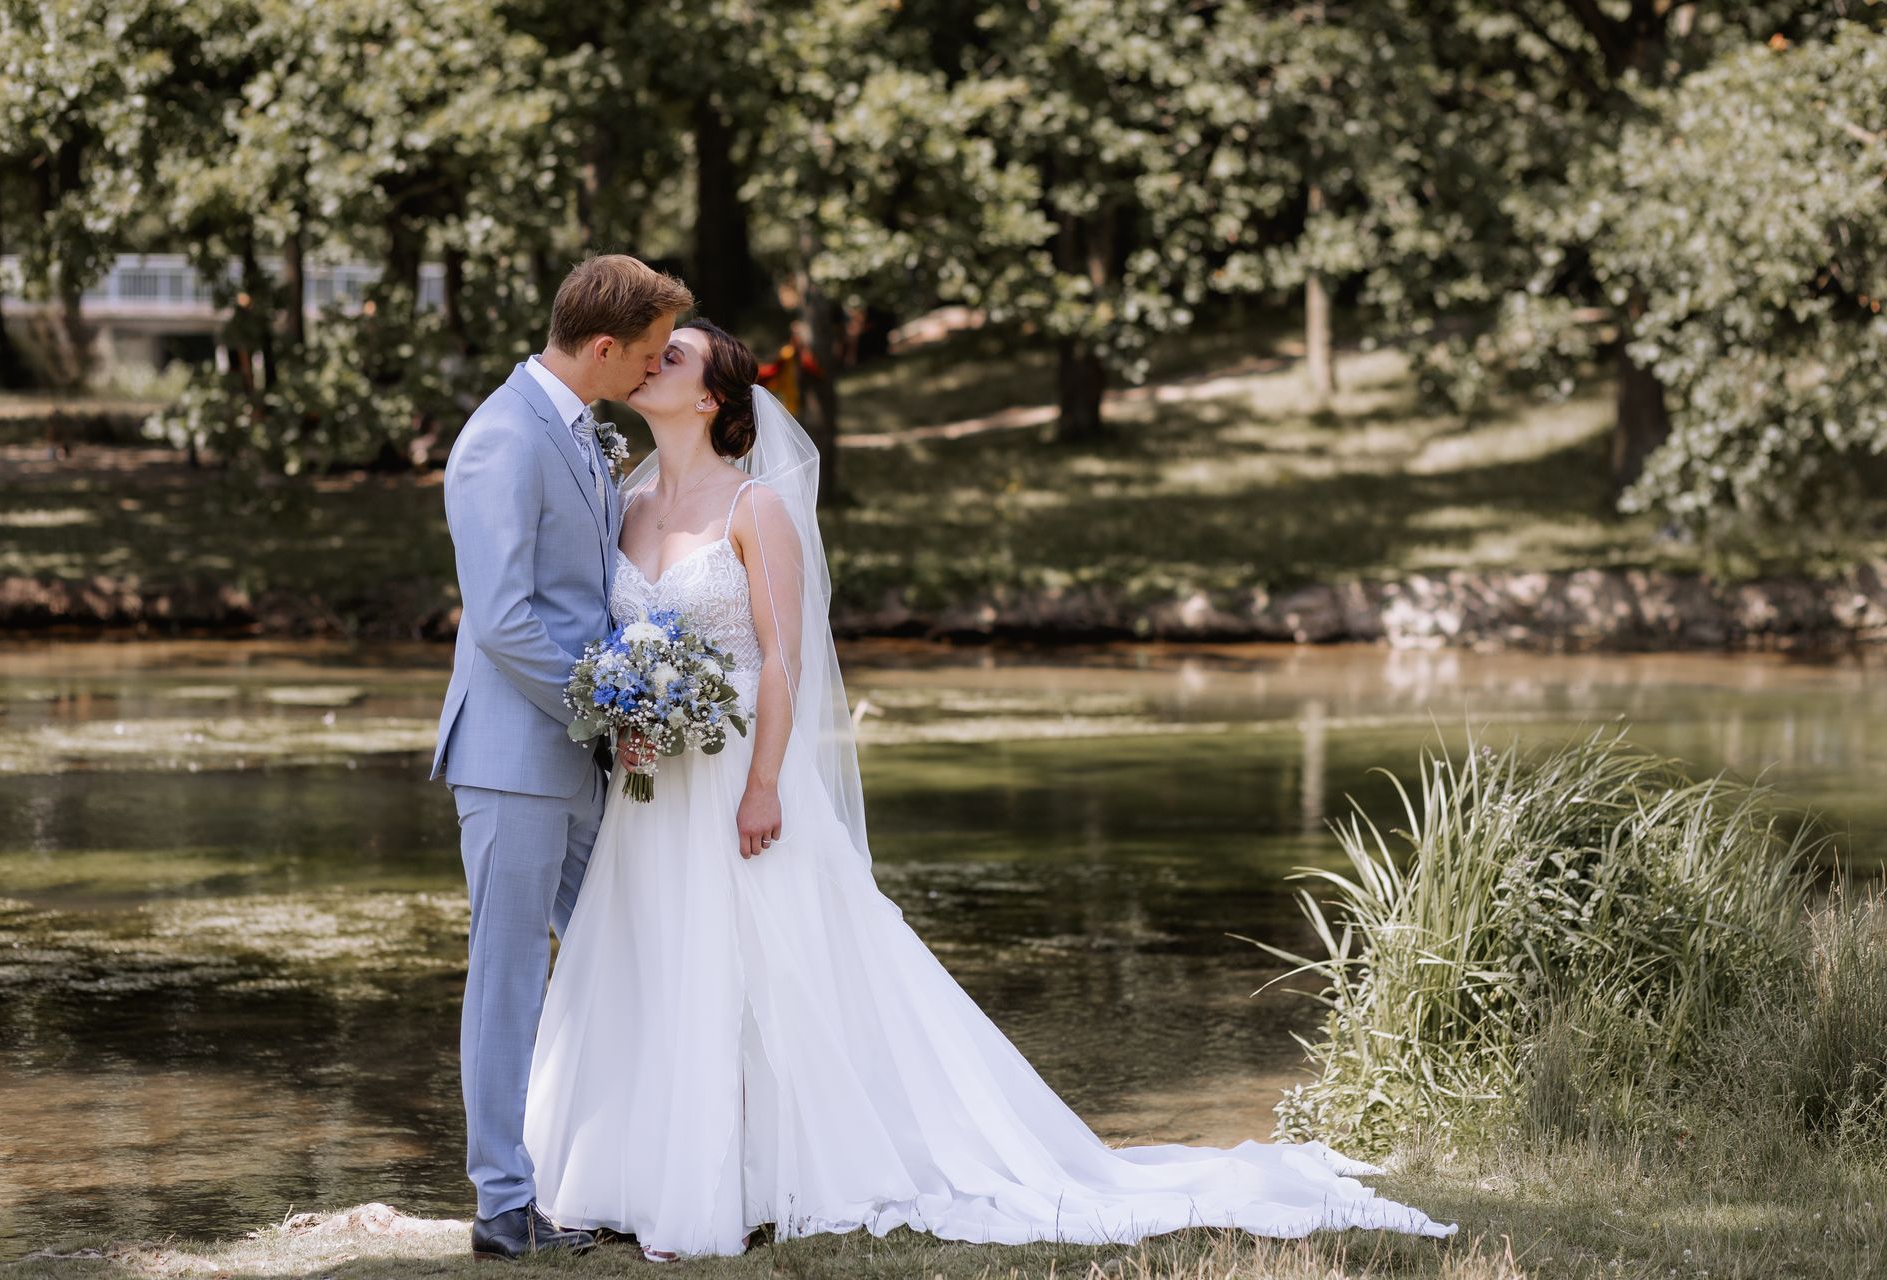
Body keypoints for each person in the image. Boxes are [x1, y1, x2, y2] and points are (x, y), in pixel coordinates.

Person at [520, 319, 1459, 1261]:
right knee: (656, 964)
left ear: (714, 395)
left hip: (735, 778)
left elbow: (781, 662)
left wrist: (764, 783)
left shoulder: (754, 507)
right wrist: (628, 710)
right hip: (653, 785)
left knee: (762, 970)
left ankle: (737, 1180)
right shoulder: (631, 503)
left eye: (670, 356)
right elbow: (616, 640)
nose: (650, 362)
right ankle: (624, 1176)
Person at [431, 254, 695, 1261]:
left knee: (619, 958)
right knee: (510, 979)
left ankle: (610, 1170)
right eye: (644, 353)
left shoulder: (588, 434)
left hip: (584, 758)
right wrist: (608, 707)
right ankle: (504, 1201)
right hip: (513, 757)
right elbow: (501, 623)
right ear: (599, 348)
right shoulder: (500, 437)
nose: (651, 367)